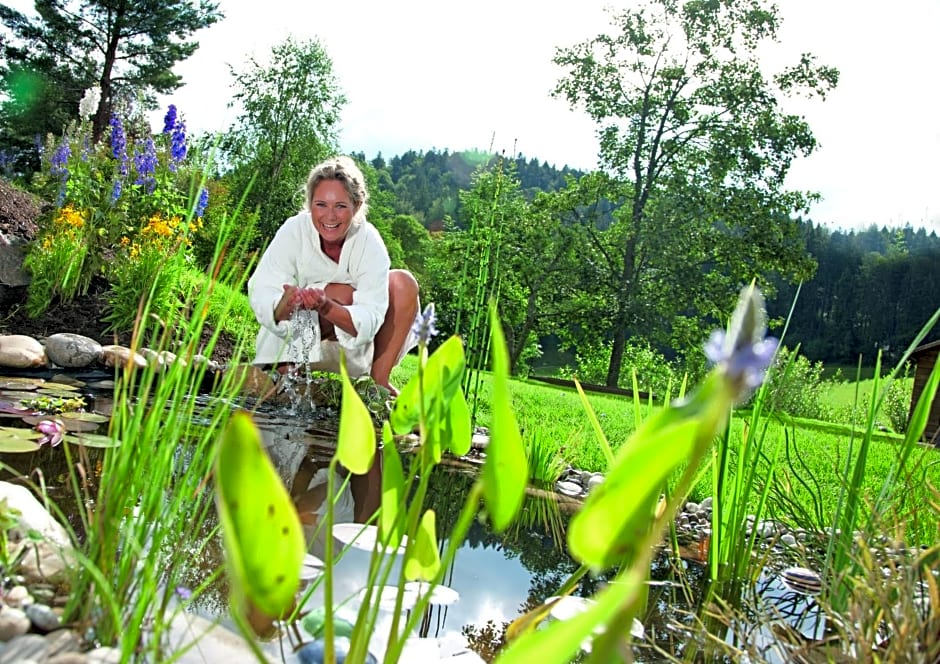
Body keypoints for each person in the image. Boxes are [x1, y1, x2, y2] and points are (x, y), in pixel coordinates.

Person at [247, 155, 419, 395]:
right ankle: (287, 375)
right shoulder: (293, 230)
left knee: (402, 283)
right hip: (297, 341)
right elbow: (263, 289)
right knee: (318, 295)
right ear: (309, 204)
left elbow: (371, 317)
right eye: (321, 205)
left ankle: (377, 383)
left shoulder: (369, 241)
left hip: (353, 347)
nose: (330, 216)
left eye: (340, 206)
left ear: (357, 206)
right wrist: (282, 306)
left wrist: (328, 305)